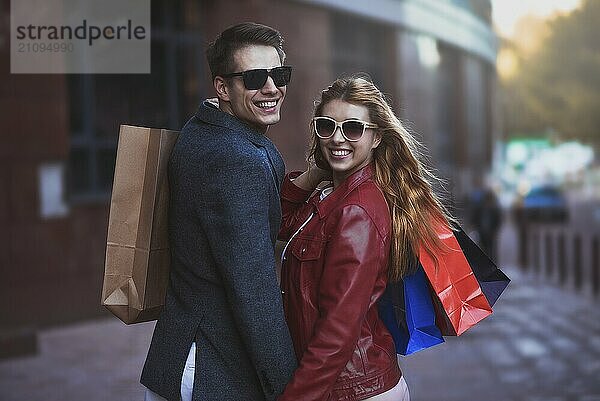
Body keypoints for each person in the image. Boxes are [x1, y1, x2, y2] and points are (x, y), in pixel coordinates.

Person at [141, 22, 297, 401]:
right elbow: (253, 289)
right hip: (213, 370)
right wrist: (289, 385)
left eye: (279, 74)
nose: (271, 88)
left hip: (185, 356)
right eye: (255, 77)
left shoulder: (204, 128)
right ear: (222, 87)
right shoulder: (235, 160)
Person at [276, 76, 455, 401]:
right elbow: (281, 225)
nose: (337, 137)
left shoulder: (356, 212)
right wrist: (317, 171)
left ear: (376, 137)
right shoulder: (334, 193)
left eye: (353, 128)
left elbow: (337, 332)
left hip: (353, 390)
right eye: (326, 126)